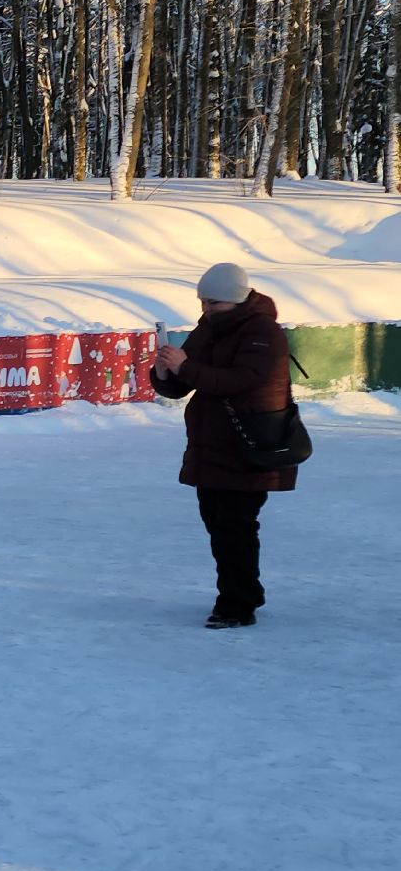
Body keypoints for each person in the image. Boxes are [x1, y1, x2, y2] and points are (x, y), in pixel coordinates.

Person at [150, 263, 298, 629]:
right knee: (217, 522)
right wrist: (164, 372)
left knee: (235, 525)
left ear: (235, 299)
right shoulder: (210, 327)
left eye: (212, 303)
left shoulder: (263, 332)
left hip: (251, 443)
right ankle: (239, 593)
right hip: (212, 441)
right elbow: (183, 384)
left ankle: (238, 604)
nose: (205, 310)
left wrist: (186, 367)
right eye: (202, 302)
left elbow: (241, 381)